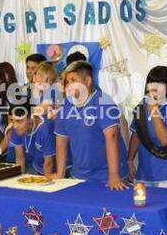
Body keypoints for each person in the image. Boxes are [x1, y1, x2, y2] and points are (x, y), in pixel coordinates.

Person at [54, 61, 129, 190]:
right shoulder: (65, 105)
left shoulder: (103, 101)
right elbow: (61, 142)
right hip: (78, 176)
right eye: (67, 82)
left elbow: (112, 138)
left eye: (73, 80)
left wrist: (114, 176)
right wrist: (60, 176)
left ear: (88, 81)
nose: (69, 85)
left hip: (108, 178)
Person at [128, 66, 167, 189]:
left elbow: (165, 141)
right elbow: (137, 134)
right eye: (151, 83)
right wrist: (130, 160)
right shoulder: (141, 107)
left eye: (160, 83)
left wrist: (154, 110)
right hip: (143, 176)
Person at [9, 103, 56, 177]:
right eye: (12, 120)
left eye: (19, 121)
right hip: (37, 167)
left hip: (57, 170)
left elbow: (49, 163)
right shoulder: (16, 129)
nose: (15, 126)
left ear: (31, 118)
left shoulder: (45, 129)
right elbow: (20, 158)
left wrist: (43, 184)